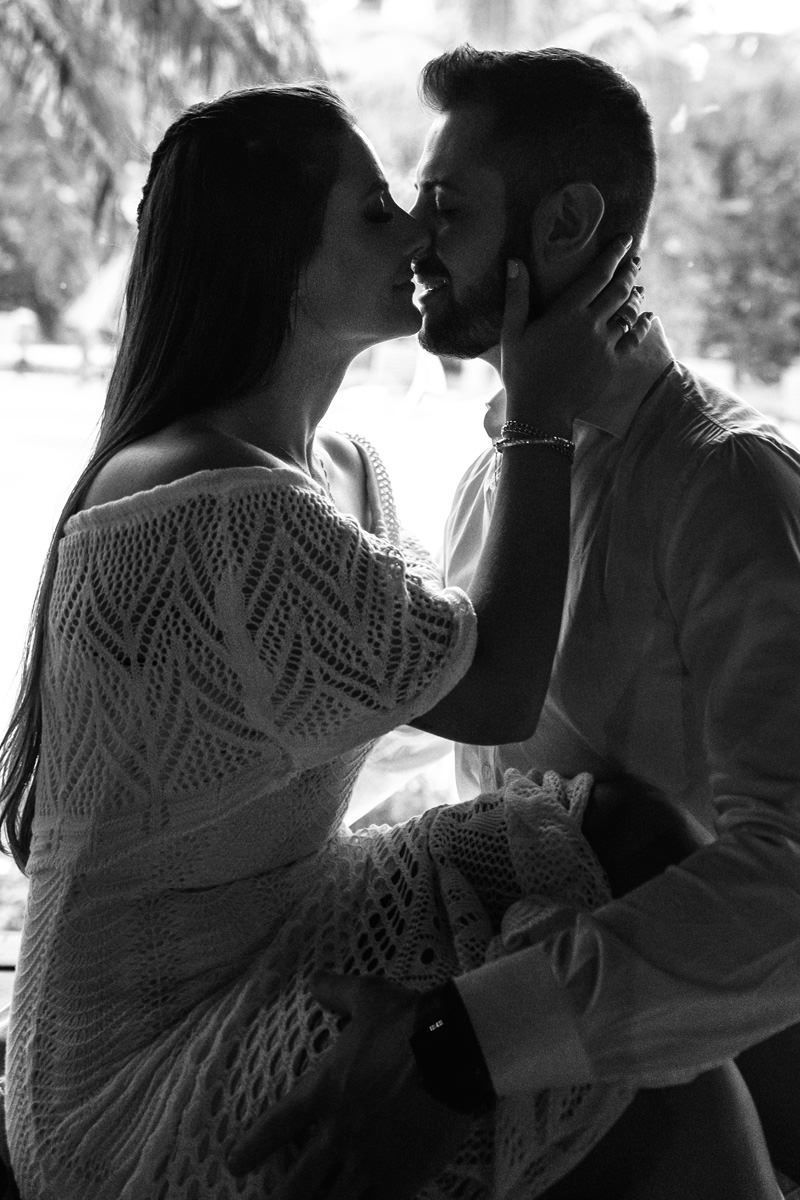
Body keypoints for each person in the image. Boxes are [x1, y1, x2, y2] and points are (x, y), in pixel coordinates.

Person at [0, 79, 671, 1199]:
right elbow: (499, 694)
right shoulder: (217, 503)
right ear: (272, 257)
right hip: (138, 1075)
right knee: (613, 884)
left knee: (600, 926)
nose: (415, 233)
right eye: (373, 212)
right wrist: (541, 412)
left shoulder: (342, 471)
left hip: (280, 934)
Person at [228, 46, 800, 1200]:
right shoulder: (497, 483)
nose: (415, 242)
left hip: (700, 1110)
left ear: (568, 222)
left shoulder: (727, 487)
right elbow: (481, 800)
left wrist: (471, 1041)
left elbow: (787, 876)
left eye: (447, 206)